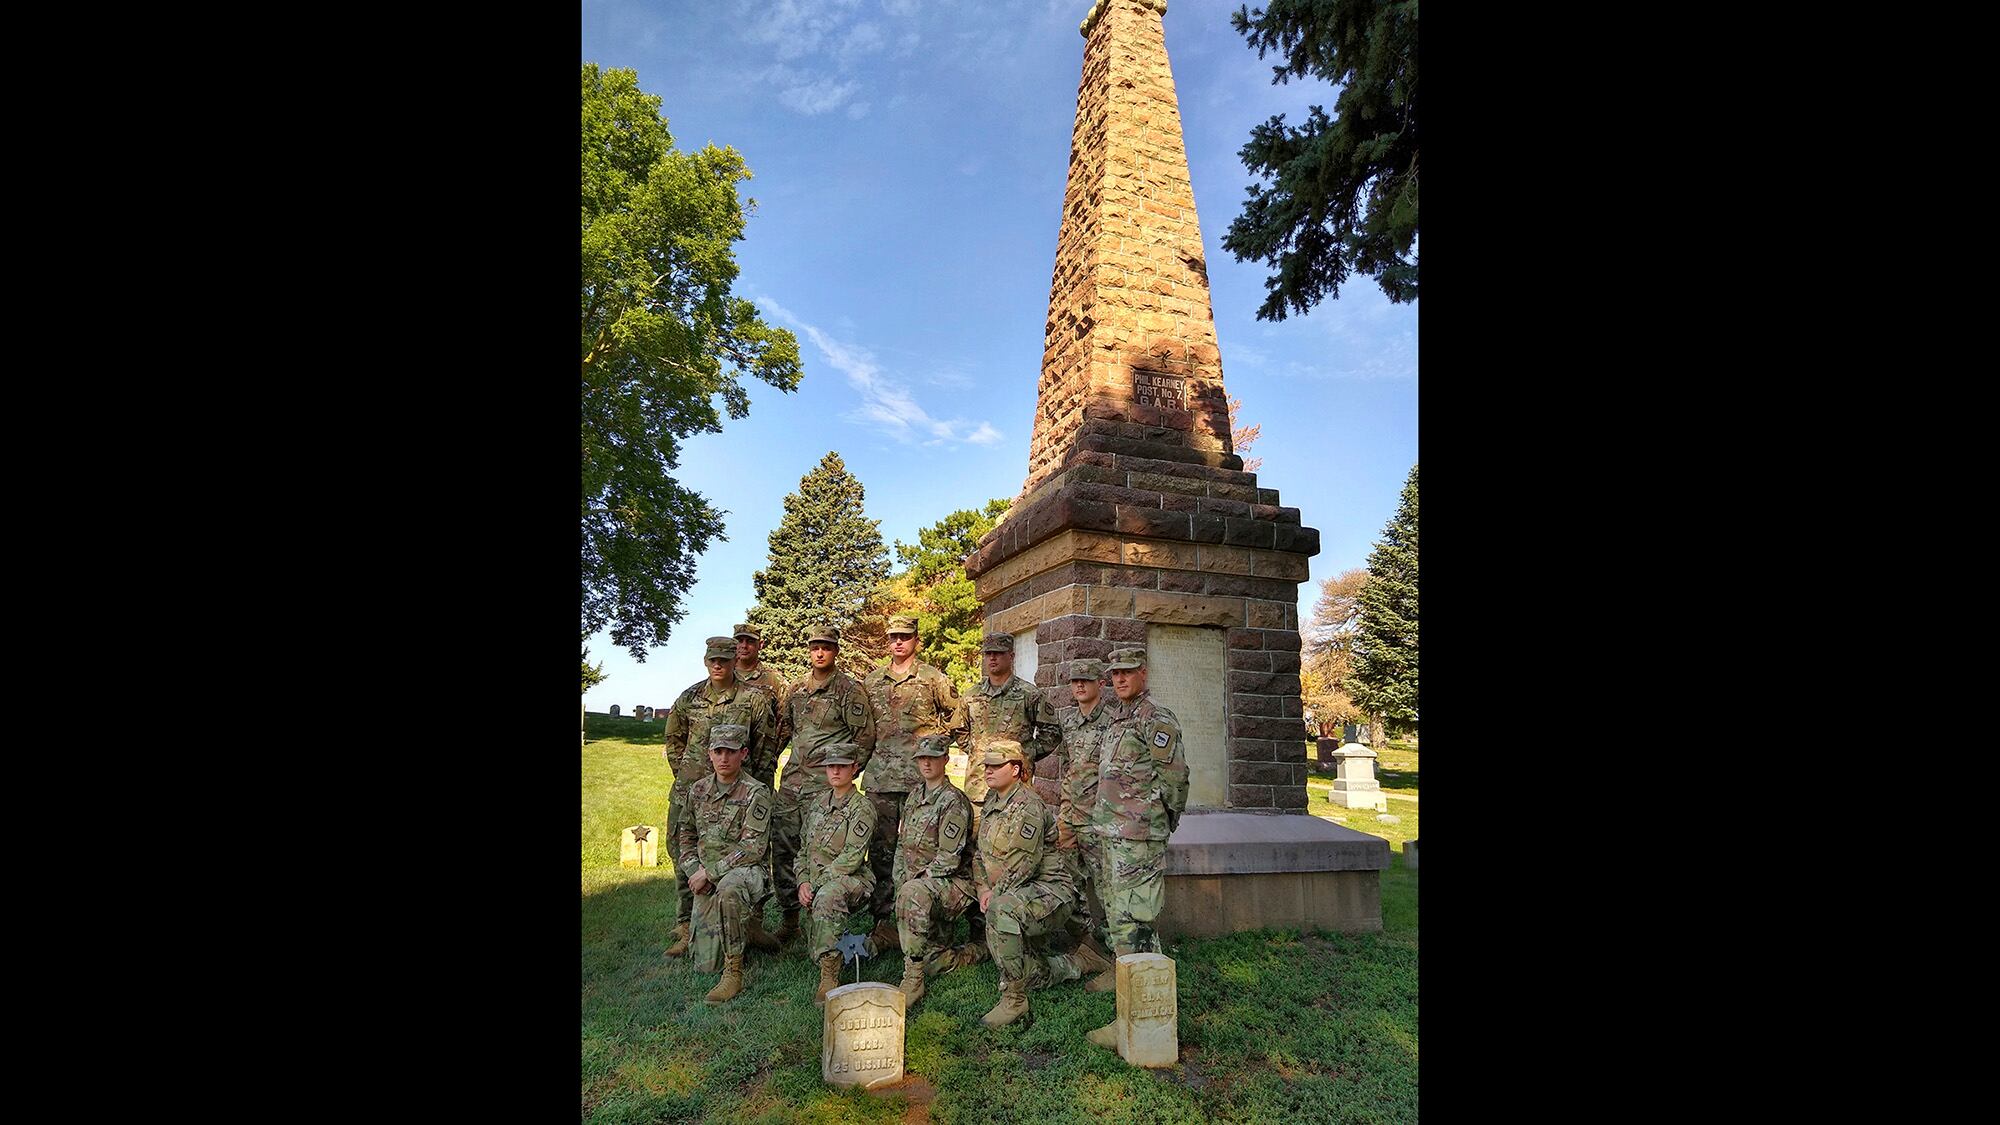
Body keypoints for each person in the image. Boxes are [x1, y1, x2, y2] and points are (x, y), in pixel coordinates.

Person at [1084, 647, 1188, 1050]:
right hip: (1113, 835)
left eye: (1128, 672)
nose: (1120, 679)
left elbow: (1175, 779)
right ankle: (1132, 991)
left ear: (1143, 673)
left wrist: (1163, 821)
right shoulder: (1118, 719)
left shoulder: (1155, 718)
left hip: (1138, 837)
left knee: (1135, 920)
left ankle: (1138, 1017)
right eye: (1115, 674)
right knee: (1119, 914)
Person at [973, 740, 1109, 1028]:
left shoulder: (1028, 806)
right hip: (1018, 890)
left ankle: (1014, 1000)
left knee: (1002, 911)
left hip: (1050, 892)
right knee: (1029, 970)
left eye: (996, 765)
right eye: (986, 765)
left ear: (1016, 769)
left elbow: (1024, 865)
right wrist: (982, 888)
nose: (988, 770)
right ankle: (1079, 963)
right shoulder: (991, 802)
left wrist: (994, 895)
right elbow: (979, 854)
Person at [661, 638, 782, 959]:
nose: (718, 665)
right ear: (705, 661)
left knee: (751, 852)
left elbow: (765, 747)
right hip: (692, 791)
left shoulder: (753, 700)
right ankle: (686, 926)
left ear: (733, 661)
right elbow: (674, 739)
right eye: (713, 660)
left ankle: (752, 923)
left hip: (740, 792)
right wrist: (685, 774)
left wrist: (756, 785)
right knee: (681, 849)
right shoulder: (689, 698)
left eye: (724, 660)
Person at [953, 630, 1061, 959]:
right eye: (988, 654)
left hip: (1015, 794)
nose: (993, 659)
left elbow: (1051, 732)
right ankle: (979, 928)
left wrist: (1023, 756)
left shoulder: (1028, 695)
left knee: (1015, 856)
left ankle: (1016, 926)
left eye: (999, 654)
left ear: (1011, 657)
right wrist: (976, 753)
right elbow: (959, 731)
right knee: (978, 856)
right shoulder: (970, 696)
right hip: (977, 791)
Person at [860, 614, 963, 953]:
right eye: (893, 637)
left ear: (916, 640)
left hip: (923, 780)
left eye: (905, 636)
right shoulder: (872, 681)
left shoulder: (933, 678)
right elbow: (862, 728)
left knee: (923, 851)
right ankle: (885, 920)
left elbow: (958, 717)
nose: (899, 642)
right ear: (887, 641)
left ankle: (925, 917)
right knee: (881, 851)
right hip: (882, 779)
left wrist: (937, 743)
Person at [771, 624, 875, 946]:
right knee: (785, 850)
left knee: (823, 854)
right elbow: (784, 730)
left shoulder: (848, 689)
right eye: (815, 646)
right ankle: (791, 920)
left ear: (835, 651)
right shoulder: (797, 689)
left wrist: (846, 773)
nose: (820, 652)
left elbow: (865, 736)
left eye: (826, 647)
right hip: (792, 784)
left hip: (826, 788)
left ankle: (824, 919)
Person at [671, 723, 775, 1004]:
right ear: (710, 754)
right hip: (705, 875)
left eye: (731, 751)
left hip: (746, 872)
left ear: (743, 753)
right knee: (705, 963)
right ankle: (747, 931)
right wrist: (694, 870)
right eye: (718, 751)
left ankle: (734, 972)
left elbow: (752, 848)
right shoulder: (698, 790)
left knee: (729, 889)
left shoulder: (756, 792)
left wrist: (711, 873)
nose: (724, 758)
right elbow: (687, 834)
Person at [891, 735, 976, 1006]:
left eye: (933, 758)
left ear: (945, 760)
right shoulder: (915, 796)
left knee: (912, 893)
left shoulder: (953, 802)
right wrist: (900, 878)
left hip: (951, 884)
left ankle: (913, 979)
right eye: (922, 759)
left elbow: (948, 860)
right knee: (935, 960)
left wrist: (911, 884)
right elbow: (902, 845)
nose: (926, 763)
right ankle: (959, 952)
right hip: (922, 884)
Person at [797, 742, 876, 1007]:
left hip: (853, 879)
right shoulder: (818, 804)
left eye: (842, 766)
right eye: (831, 766)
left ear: (854, 769)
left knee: (828, 898)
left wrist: (817, 885)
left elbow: (852, 857)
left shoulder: (862, 808)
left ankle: (830, 975)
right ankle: (865, 944)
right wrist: (803, 881)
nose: (836, 771)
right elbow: (803, 851)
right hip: (817, 881)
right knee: (814, 945)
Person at [1055, 658, 1116, 961]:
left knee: (1106, 886)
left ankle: (1111, 945)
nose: (1079, 686)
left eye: (1086, 681)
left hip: (1099, 820)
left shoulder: (1114, 722)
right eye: (1074, 681)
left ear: (1101, 685)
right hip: (1069, 818)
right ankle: (1083, 939)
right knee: (1069, 881)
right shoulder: (1067, 721)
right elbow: (1067, 766)